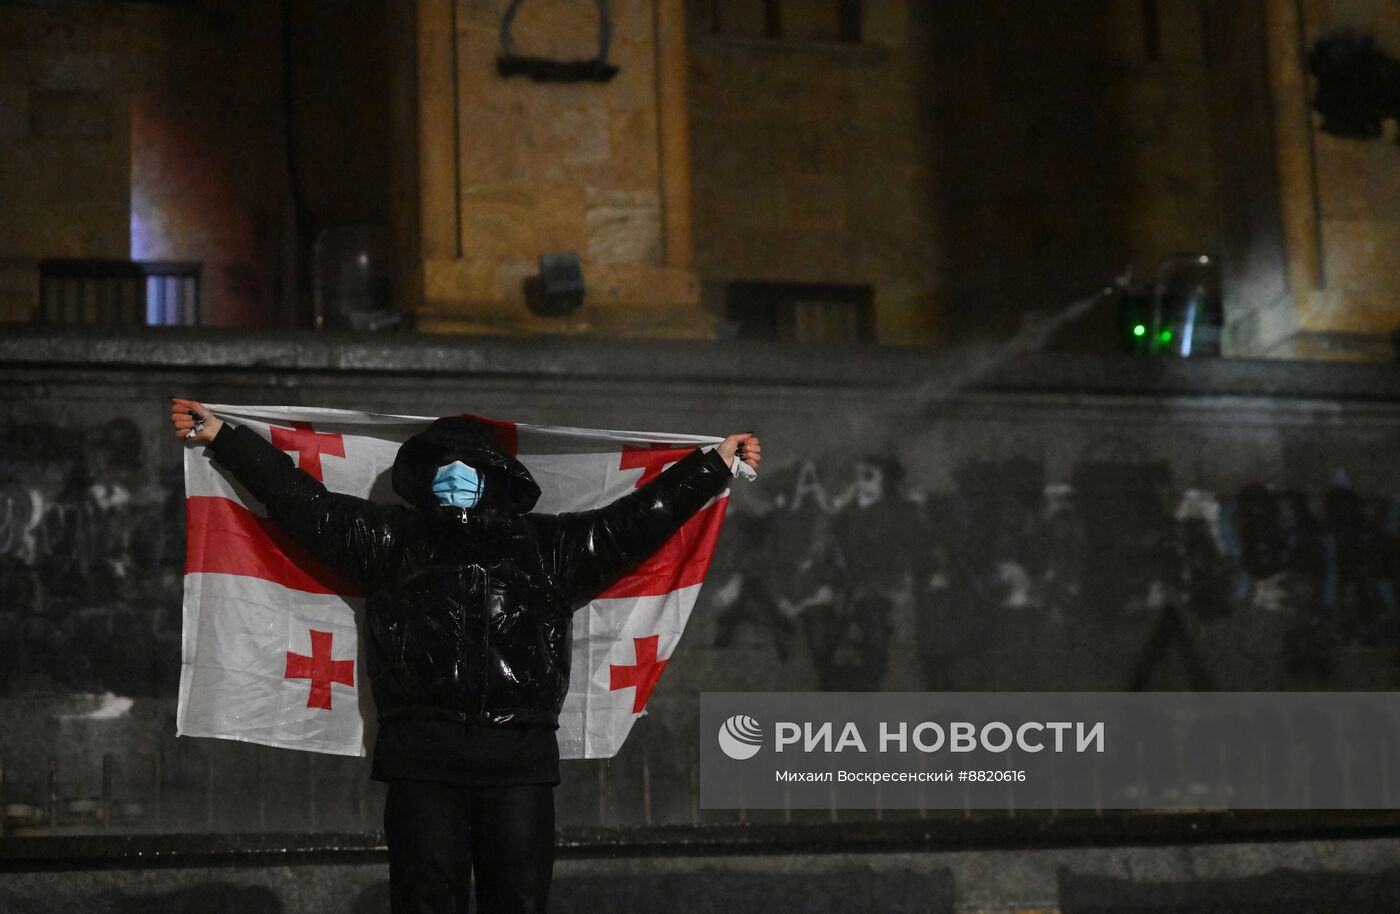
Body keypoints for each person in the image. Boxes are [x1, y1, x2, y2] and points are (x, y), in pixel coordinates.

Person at [169, 397, 760, 914]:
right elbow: (302, 503)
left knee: (519, 904)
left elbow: (635, 522)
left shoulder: (547, 548)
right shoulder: (390, 541)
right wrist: (224, 436)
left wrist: (712, 465)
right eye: (439, 468)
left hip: (518, 763)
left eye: (469, 468)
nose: (453, 477)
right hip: (423, 762)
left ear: (497, 478)